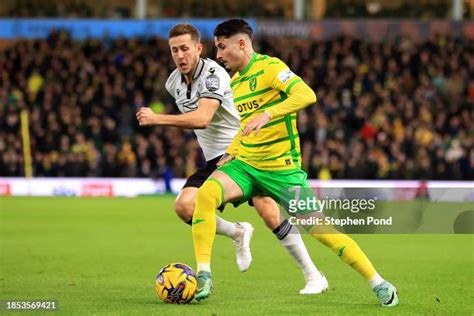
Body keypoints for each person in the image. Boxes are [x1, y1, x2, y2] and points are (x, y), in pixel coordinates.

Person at [190, 19, 399, 307]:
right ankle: (203, 275)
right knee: (206, 194)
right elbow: (243, 125)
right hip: (246, 165)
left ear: (241, 43)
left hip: (282, 172)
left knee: (323, 232)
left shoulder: (271, 67)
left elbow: (307, 95)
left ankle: (378, 282)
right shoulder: (233, 83)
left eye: (222, 47)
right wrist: (233, 150)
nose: (219, 56)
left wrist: (269, 114)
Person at [136, 23, 328, 294]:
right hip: (216, 159)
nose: (180, 55)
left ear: (199, 49)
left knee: (270, 213)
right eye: (174, 50)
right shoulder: (172, 84)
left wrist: (158, 119)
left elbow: (203, 119)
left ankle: (313, 275)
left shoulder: (213, 73)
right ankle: (237, 231)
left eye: (185, 49)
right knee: (184, 207)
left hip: (244, 153)